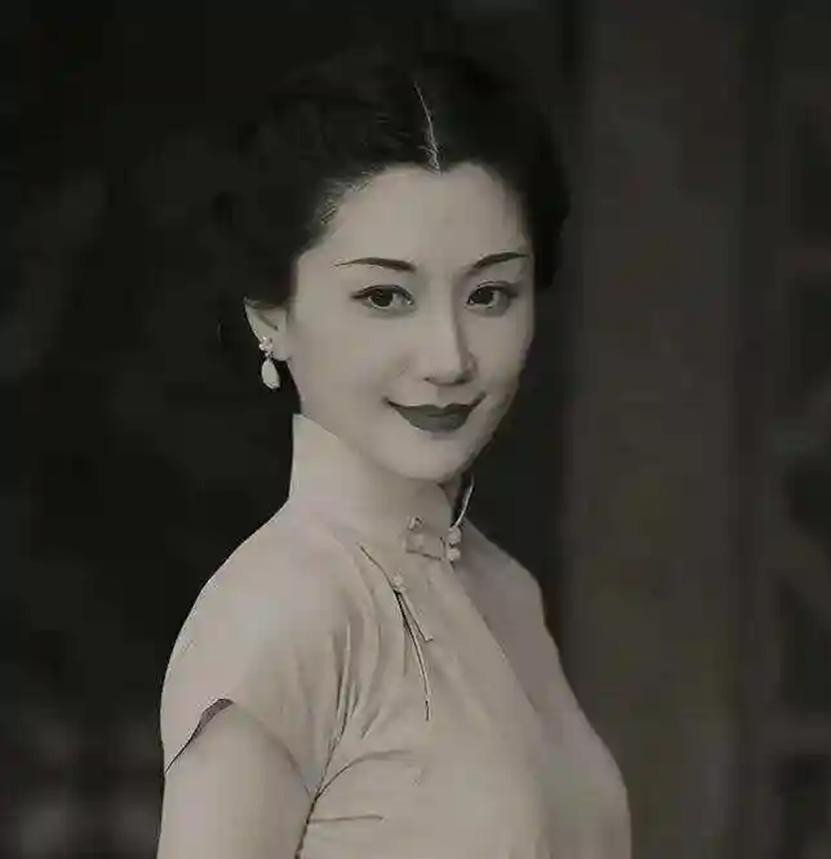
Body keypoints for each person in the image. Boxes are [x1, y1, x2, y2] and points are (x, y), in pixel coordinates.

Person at [156, 39, 630, 859]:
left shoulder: (500, 587)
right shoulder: (281, 615)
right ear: (271, 315)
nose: (449, 356)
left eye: (490, 293)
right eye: (384, 296)